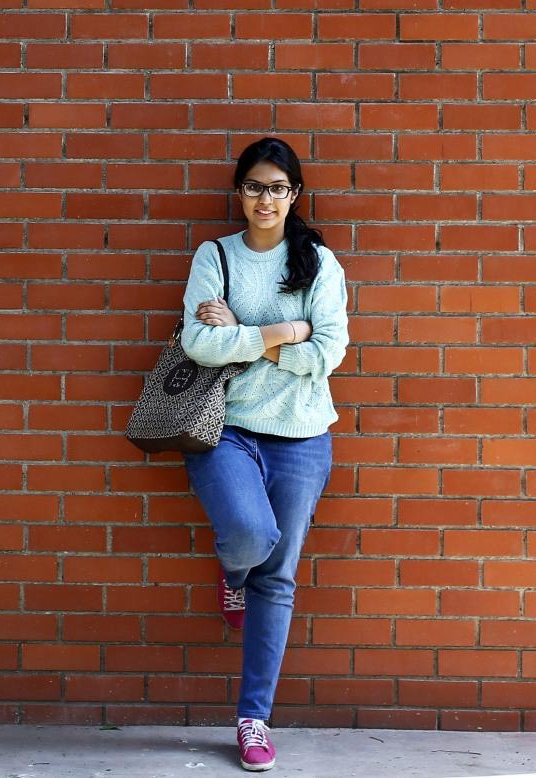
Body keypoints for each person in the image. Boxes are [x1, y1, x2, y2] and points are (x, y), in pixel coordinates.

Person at [180, 137, 349, 772]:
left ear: (294, 195)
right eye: (254, 186)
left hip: (303, 436)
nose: (266, 199)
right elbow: (198, 343)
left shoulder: (318, 263)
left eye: (278, 188)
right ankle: (233, 573)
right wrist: (283, 332)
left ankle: (254, 720)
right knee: (250, 537)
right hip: (223, 426)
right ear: (239, 192)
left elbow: (327, 353)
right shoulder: (214, 256)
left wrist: (248, 338)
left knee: (278, 577)